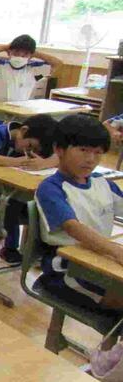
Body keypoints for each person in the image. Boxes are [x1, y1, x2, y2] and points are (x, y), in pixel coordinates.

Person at [35, 114, 123, 311]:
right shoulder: (51, 188)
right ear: (59, 149)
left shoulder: (102, 183)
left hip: (99, 260)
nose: (91, 159)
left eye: (98, 153)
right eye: (83, 150)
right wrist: (117, 252)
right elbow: (73, 228)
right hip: (66, 270)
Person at [0, 114, 58, 263]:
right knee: (10, 203)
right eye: (30, 146)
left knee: (44, 204)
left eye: (36, 150)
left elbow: (60, 155)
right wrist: (16, 161)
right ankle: (10, 248)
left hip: (15, 190)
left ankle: (42, 250)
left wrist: (45, 163)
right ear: (23, 130)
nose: (29, 152)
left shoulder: (38, 143)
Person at [0, 35, 62, 127]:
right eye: (16, 52)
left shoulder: (33, 70)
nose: (19, 56)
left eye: (25, 54)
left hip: (20, 115)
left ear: (30, 56)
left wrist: (34, 53)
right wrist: (6, 47)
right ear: (9, 52)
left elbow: (57, 63)